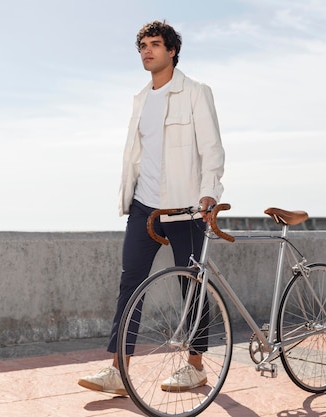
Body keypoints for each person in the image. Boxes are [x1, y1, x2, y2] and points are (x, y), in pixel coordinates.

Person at [77, 20, 225, 395]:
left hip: (187, 207)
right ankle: (119, 371)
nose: (147, 50)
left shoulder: (195, 92)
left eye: (155, 44)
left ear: (172, 50)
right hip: (145, 207)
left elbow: (212, 149)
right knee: (130, 284)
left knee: (190, 285)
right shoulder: (140, 99)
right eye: (142, 45)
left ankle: (195, 366)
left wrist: (209, 192)